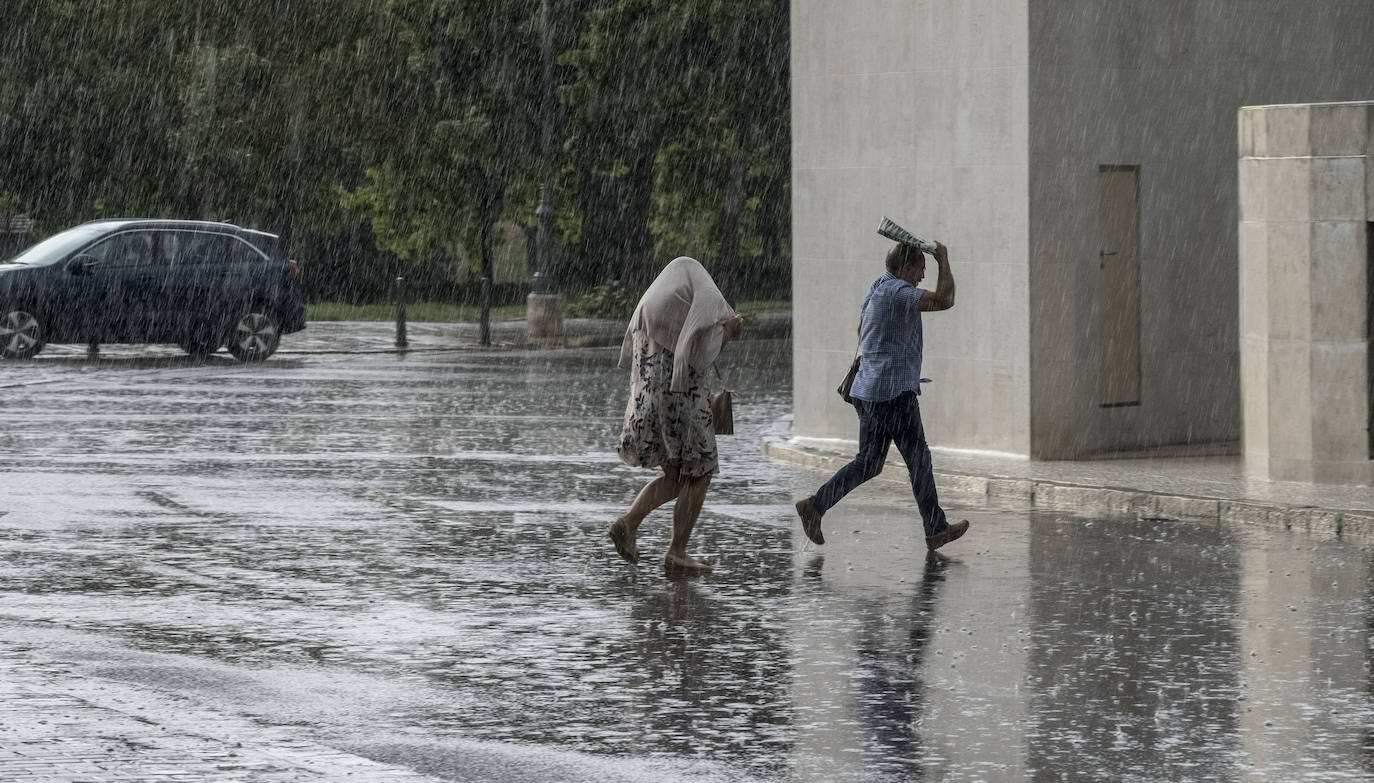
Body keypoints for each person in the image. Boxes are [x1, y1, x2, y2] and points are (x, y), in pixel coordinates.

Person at [794, 241, 970, 551]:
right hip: (893, 394)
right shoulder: (898, 291)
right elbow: (945, 300)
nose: (922, 277)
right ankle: (935, 528)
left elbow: (861, 329)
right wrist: (943, 259)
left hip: (867, 391)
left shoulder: (877, 287)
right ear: (905, 268)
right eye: (920, 270)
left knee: (869, 463)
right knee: (918, 459)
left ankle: (815, 506)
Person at [610, 257, 744, 575]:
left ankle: (628, 524)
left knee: (676, 476)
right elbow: (696, 354)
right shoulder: (709, 296)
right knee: (700, 471)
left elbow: (636, 353)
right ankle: (677, 552)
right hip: (679, 394)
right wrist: (729, 332)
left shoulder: (656, 299)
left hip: (649, 395)